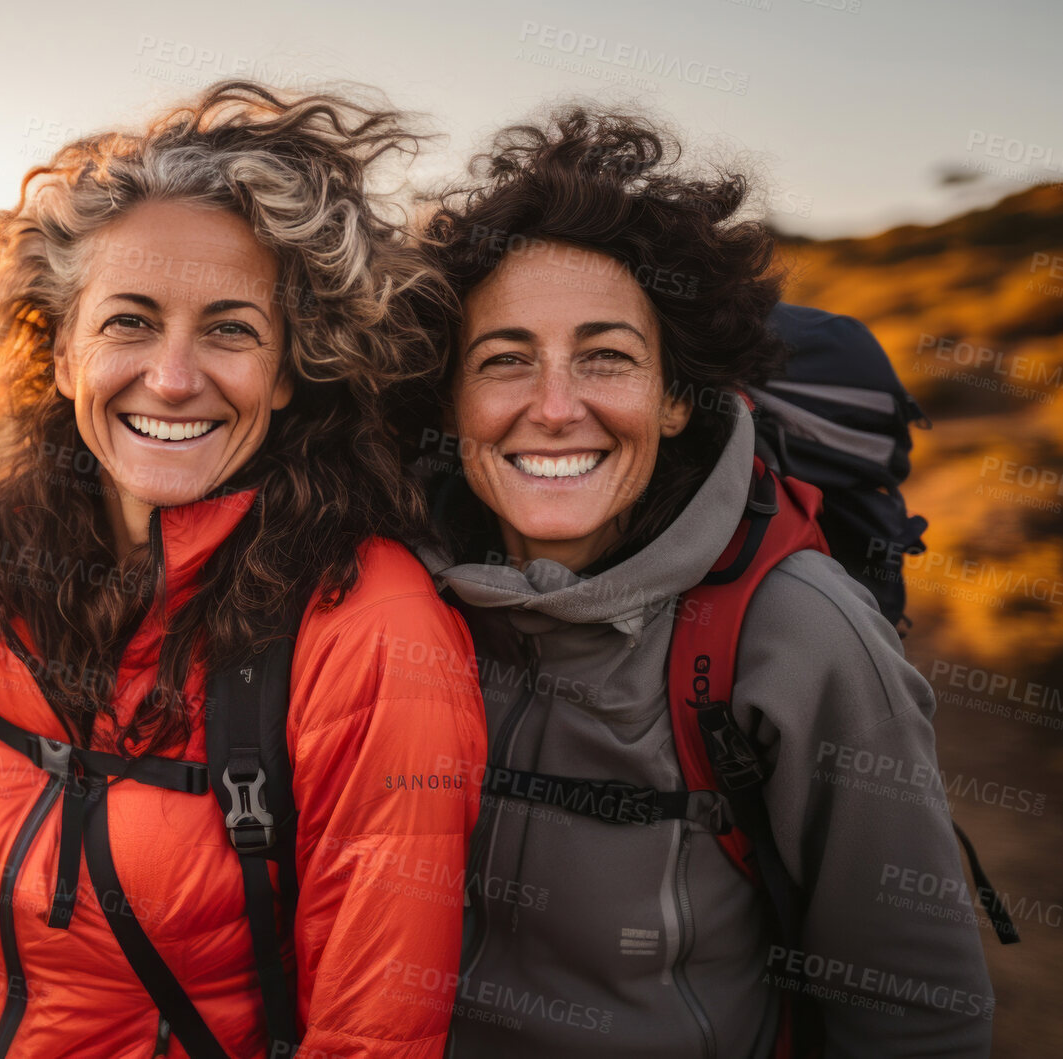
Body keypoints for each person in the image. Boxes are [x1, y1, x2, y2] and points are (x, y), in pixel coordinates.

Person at [0, 81, 488, 1059]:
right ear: (61, 352)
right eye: (128, 322)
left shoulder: (371, 626)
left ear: (283, 372)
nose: (174, 377)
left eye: (229, 329)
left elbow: (370, 1034)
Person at [410, 108, 995, 1057]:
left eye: (607, 356)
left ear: (678, 397)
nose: (554, 407)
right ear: (450, 399)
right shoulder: (381, 598)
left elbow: (914, 1018)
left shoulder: (801, 636)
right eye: (504, 360)